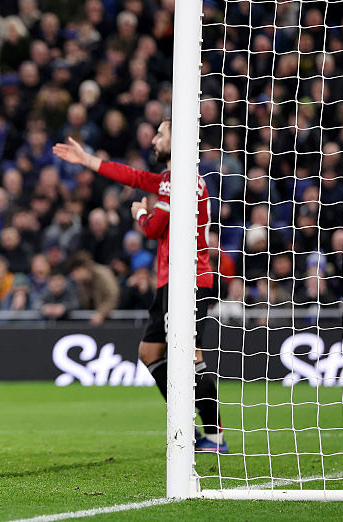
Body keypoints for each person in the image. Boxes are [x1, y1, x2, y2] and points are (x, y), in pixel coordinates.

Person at [53, 121, 226, 453]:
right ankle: (186, 426)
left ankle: (214, 435)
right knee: (149, 354)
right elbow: (133, 177)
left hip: (188, 281)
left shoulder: (179, 182)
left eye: (162, 134)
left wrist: (140, 213)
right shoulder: (169, 180)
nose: (155, 139)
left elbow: (152, 228)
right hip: (171, 282)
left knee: (190, 357)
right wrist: (87, 160)